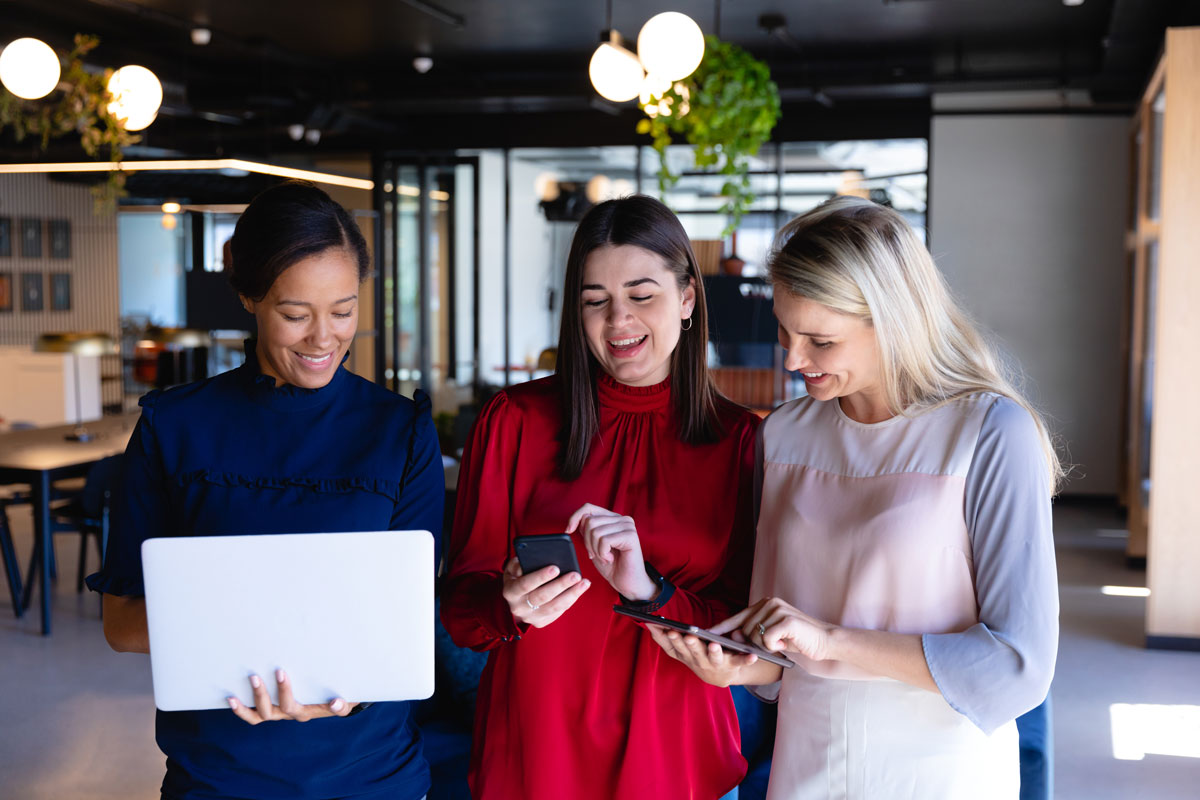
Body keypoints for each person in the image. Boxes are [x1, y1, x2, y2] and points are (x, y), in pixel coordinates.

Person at [652, 196, 1060, 799]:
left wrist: (831, 640)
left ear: (892, 321)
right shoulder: (783, 435)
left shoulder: (991, 434)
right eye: (786, 332)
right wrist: (739, 664)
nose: (794, 360)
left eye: (820, 340)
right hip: (806, 764)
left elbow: (1017, 665)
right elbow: (780, 646)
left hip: (940, 771)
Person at [87, 180, 444, 800]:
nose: (323, 338)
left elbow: (410, 619)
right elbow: (122, 623)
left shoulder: (401, 430)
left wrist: (338, 679)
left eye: (343, 309)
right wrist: (273, 650)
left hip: (372, 772)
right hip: (219, 775)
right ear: (250, 296)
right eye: (295, 314)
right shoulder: (173, 426)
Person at [441, 195, 760, 800]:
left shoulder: (742, 441)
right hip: (535, 759)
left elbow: (745, 632)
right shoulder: (514, 421)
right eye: (596, 302)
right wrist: (507, 604)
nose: (618, 321)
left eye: (642, 296)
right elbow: (461, 612)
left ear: (688, 297)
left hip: (679, 762)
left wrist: (649, 592)